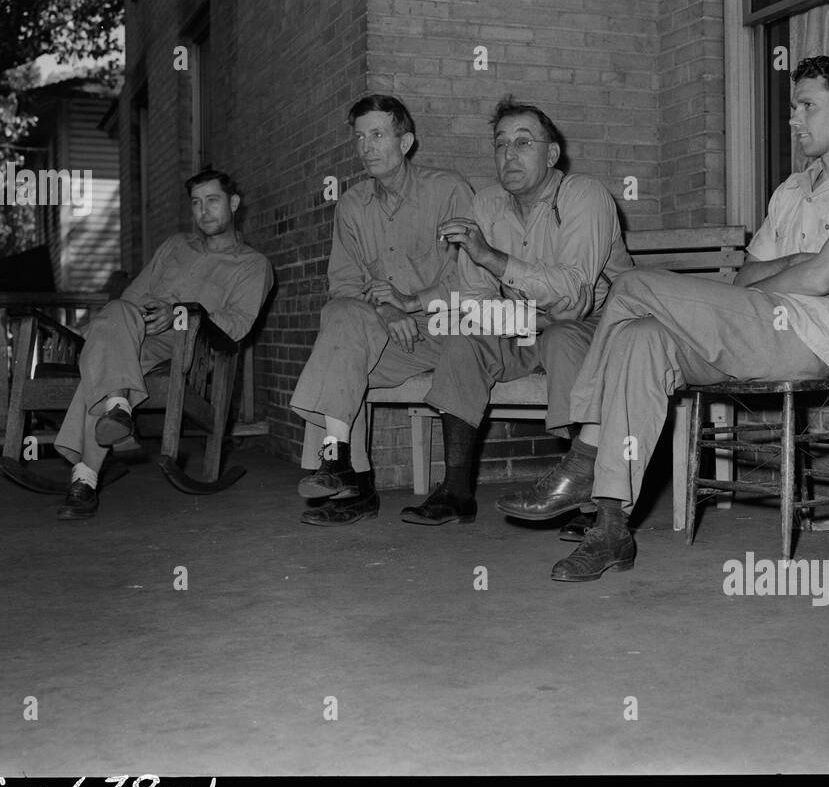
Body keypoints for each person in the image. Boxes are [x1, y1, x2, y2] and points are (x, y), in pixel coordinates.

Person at [498, 56, 829, 581]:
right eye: (792, 107)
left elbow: (823, 279)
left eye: (808, 106)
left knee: (631, 285)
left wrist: (800, 270)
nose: (793, 119)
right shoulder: (791, 190)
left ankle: (584, 456)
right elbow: (747, 281)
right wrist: (793, 262)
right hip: (756, 326)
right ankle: (609, 529)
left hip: (812, 341)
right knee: (641, 339)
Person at [399, 96, 633, 525]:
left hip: (601, 326)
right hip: (531, 323)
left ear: (551, 153)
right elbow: (474, 300)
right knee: (464, 330)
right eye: (501, 144)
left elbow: (573, 292)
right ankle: (455, 490)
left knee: (563, 338)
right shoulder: (486, 204)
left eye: (524, 143)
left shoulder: (584, 195)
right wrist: (535, 317)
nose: (509, 154)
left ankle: (591, 497)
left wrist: (491, 258)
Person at [289, 94, 474, 525]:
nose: (366, 147)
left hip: (449, 332)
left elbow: (469, 278)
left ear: (405, 141)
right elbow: (345, 285)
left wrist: (410, 304)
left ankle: (348, 479)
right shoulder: (352, 205)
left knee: (335, 360)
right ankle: (342, 468)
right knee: (339, 328)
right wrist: (389, 314)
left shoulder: (448, 190)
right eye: (359, 138)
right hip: (388, 335)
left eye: (377, 135)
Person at [55, 168, 274, 519]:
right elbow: (131, 297)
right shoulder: (174, 246)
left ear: (233, 204)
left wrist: (180, 315)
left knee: (101, 362)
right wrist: (144, 316)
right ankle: (116, 414)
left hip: (188, 350)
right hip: (137, 336)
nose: (204, 211)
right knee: (113, 316)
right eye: (197, 203)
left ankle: (86, 475)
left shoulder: (252, 266)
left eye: (213, 201)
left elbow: (238, 325)